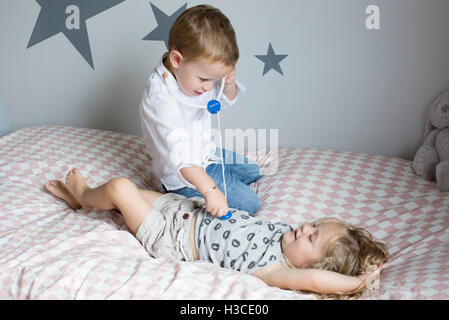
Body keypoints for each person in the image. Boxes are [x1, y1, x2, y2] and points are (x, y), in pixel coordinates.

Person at [44, 169, 389, 297]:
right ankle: (91, 197)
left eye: (312, 238)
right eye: (314, 224)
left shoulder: (275, 269)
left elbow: (316, 283)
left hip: (172, 238)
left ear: (311, 267)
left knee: (119, 189)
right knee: (133, 192)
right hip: (182, 209)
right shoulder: (286, 234)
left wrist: (356, 284)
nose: (306, 229)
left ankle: (83, 195)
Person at [139, 4, 262, 218]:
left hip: (207, 154)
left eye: (215, 80)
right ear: (177, 60)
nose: (208, 87)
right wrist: (210, 190)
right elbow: (182, 158)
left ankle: (221, 180)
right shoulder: (159, 98)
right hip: (183, 174)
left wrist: (229, 82)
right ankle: (173, 194)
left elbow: (226, 99)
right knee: (250, 203)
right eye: (205, 80)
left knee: (254, 171)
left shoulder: (197, 73)